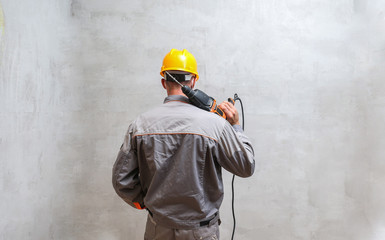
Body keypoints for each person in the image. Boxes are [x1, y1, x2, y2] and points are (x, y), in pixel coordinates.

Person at [112, 49, 255, 240]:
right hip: (201, 233)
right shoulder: (216, 124)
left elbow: (121, 180)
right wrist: (236, 127)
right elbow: (246, 166)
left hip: (158, 229)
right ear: (194, 81)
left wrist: (145, 202)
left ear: (164, 82)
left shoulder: (140, 124)